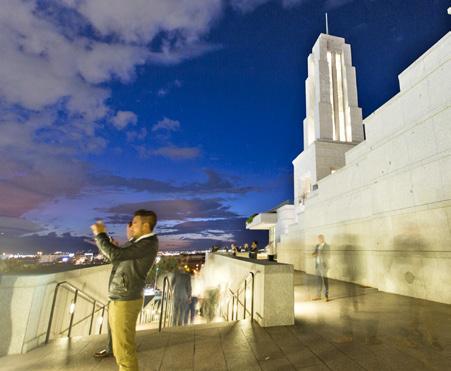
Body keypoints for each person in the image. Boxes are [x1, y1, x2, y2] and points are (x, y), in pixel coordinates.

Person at [91, 210, 158, 371]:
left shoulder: (147, 243)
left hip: (126, 299)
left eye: (135, 223)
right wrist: (126, 240)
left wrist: (100, 234)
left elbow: (115, 255)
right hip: (121, 297)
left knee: (124, 353)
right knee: (119, 349)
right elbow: (121, 258)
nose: (131, 225)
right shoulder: (140, 243)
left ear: (146, 225)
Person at [95, 221, 134, 359]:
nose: (127, 232)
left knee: (117, 323)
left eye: (128, 229)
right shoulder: (131, 246)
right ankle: (112, 347)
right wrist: (115, 247)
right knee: (114, 322)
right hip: (120, 290)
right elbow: (119, 260)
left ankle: (116, 349)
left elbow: (120, 260)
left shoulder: (134, 246)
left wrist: (100, 235)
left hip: (122, 292)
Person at [172, 260, 192, 326]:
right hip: (184, 295)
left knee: (176, 310)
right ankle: (179, 324)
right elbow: (189, 287)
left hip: (177, 294)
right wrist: (189, 296)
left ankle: (174, 324)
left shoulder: (176, 273)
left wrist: (170, 291)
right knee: (181, 310)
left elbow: (172, 283)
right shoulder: (187, 275)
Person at [312, 234, 330, 301]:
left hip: (323, 265)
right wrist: (314, 254)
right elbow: (314, 253)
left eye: (320, 239)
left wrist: (321, 253)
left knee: (325, 281)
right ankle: (318, 295)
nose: (319, 240)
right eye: (318, 239)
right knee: (318, 281)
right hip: (317, 265)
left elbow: (328, 255)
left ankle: (326, 296)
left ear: (323, 239)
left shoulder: (327, 246)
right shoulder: (317, 246)